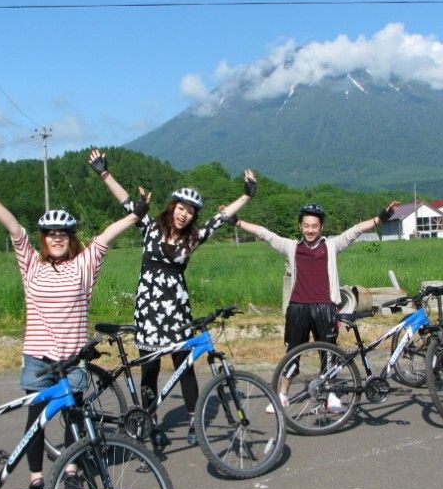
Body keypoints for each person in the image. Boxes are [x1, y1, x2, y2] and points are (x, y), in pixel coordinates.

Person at [0, 168, 148, 489]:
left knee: (74, 416)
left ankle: (71, 470)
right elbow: (14, 229)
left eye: (63, 234)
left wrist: (135, 213)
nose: (56, 238)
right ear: (44, 238)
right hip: (38, 358)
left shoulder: (85, 264)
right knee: (36, 419)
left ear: (71, 238)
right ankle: (36, 477)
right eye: (51, 233)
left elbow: (106, 236)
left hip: (73, 358)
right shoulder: (31, 265)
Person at [88, 148, 255, 448]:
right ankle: (148, 423)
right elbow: (126, 202)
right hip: (148, 310)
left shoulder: (194, 238)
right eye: (181, 207)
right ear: (172, 206)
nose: (184, 213)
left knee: (184, 366)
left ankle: (194, 421)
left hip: (177, 309)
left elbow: (220, 218)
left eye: (190, 211)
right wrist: (104, 173)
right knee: (149, 368)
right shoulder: (150, 228)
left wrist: (246, 196)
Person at [233, 200, 400, 411]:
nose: (310, 230)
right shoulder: (291, 247)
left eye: (314, 226)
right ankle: (282, 396)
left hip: (325, 307)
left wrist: (381, 217)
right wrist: (237, 222)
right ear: (300, 226)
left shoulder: (331, 246)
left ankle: (330, 394)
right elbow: (265, 233)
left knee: (328, 353)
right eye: (306, 225)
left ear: (321, 227)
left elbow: (355, 230)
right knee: (292, 352)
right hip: (298, 308)